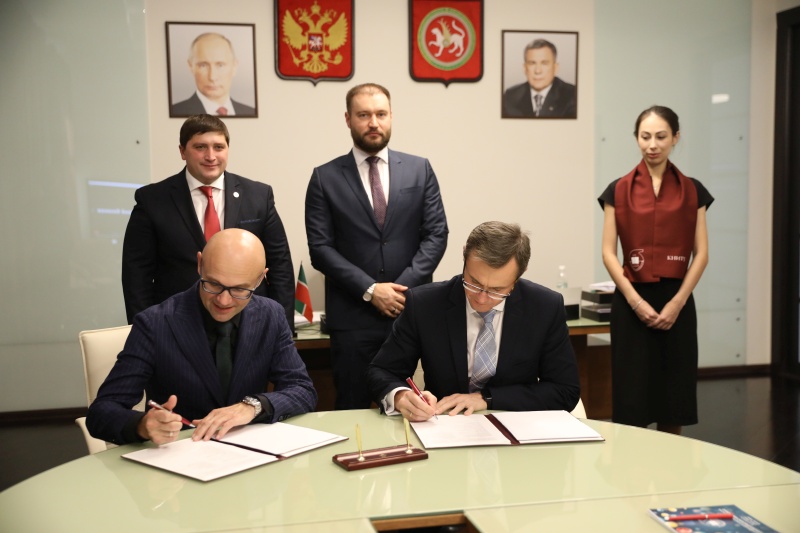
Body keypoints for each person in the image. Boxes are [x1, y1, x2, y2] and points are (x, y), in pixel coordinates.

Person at [88, 229, 317, 446]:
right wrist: (142, 425)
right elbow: (102, 412)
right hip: (179, 457)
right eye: (214, 284)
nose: (224, 301)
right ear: (200, 264)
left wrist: (252, 407)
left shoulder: (271, 315)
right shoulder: (154, 324)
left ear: (260, 279)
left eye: (240, 290)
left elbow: (302, 390)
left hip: (252, 455)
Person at [305, 82, 448, 410]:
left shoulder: (420, 169)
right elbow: (320, 248)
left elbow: (436, 234)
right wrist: (371, 290)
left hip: (409, 312)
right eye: (364, 115)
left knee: (412, 406)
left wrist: (400, 290)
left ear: (391, 116)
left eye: (381, 114)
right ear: (348, 119)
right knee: (352, 406)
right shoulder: (325, 177)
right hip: (352, 317)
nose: (373, 122)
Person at [367, 221, 580, 421]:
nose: (482, 298)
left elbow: (565, 390)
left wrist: (486, 399)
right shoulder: (425, 304)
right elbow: (382, 371)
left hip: (516, 427)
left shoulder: (544, 307)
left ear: (517, 278)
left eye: (497, 290)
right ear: (464, 258)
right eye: (473, 283)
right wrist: (400, 396)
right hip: (445, 425)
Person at [598, 105, 713, 435]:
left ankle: (672, 465)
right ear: (636, 138)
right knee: (631, 399)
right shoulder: (617, 189)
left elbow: (702, 254)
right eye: (645, 136)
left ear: (676, 137)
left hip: (677, 301)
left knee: (673, 398)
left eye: (661, 136)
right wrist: (636, 302)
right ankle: (631, 463)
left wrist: (677, 303)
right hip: (631, 301)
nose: (652, 145)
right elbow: (608, 253)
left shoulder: (694, 190)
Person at [122, 114, 295, 331]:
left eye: (219, 147)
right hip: (175, 324)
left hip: (249, 323)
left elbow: (280, 267)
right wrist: (143, 330)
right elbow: (136, 276)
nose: (211, 156)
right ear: (182, 151)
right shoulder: (152, 200)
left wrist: (283, 329)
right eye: (200, 147)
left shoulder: (259, 196)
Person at [171, 32, 256, 117]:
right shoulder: (177, 110)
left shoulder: (249, 111)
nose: (212, 77)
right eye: (203, 65)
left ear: (234, 67)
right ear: (191, 67)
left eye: (220, 65)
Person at [502, 38, 577, 118]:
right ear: (524, 68)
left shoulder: (572, 95)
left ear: (555, 68)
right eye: (532, 63)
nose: (538, 71)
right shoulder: (510, 96)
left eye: (544, 63)